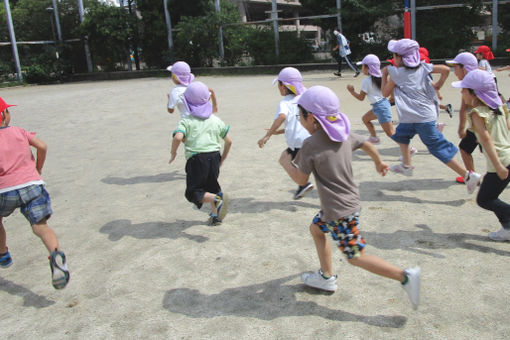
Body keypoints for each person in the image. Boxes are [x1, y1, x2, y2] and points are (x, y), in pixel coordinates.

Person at [280, 85, 420, 310]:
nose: (300, 120)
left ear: (312, 118)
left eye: (300, 116)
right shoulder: (342, 133)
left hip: (338, 212)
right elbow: (364, 143)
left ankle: (405, 276)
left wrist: (286, 162)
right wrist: (378, 161)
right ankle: (326, 277)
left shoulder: (310, 144)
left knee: (355, 256)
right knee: (316, 229)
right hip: (343, 205)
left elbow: (300, 180)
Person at [382, 39, 482, 194]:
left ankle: (468, 175)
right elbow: (445, 70)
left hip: (418, 117)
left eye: (394, 55)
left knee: (436, 148)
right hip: (418, 116)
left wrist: (384, 75)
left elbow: (384, 93)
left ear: (400, 58)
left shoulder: (397, 74)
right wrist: (438, 85)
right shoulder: (423, 67)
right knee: (401, 135)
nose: (393, 58)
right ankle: (406, 165)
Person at [0, 97, 69, 289]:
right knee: (40, 226)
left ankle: (3, 254)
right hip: (32, 184)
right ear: (4, 115)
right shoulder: (19, 131)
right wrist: (37, 168)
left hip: (3, 190)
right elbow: (42, 146)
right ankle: (56, 255)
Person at [452, 70, 510, 241]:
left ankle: (508, 223)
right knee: (489, 196)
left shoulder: (477, 113)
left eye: (464, 90)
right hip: (508, 156)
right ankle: (507, 226)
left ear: (475, 93)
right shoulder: (499, 105)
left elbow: (486, 140)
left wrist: (498, 166)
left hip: (500, 161)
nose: (462, 93)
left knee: (485, 199)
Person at [169, 82, 232, 226]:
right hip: (214, 156)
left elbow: (178, 137)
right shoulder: (216, 120)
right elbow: (229, 141)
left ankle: (217, 199)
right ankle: (215, 216)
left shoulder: (186, 121)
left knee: (193, 192)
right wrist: (222, 158)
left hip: (197, 159)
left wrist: (173, 153)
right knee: (212, 187)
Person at [257, 67, 313, 199]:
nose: (278, 87)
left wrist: (267, 135)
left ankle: (303, 185)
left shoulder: (285, 102)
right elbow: (297, 124)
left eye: (279, 84)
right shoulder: (304, 99)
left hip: (299, 144)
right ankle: (302, 185)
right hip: (311, 140)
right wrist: (278, 132)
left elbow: (282, 117)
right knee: (305, 166)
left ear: (283, 86)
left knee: (284, 160)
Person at [445, 52, 481, 184]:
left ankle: (473, 177)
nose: (455, 71)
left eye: (456, 67)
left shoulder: (470, 83)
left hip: (483, 123)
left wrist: (461, 129)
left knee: (495, 153)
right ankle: (472, 176)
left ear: (464, 68)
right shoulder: (480, 77)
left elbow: (463, 107)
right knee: (466, 148)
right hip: (481, 123)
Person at [346, 54, 395, 144]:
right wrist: (392, 96)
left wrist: (352, 91)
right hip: (380, 106)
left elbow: (361, 98)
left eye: (363, 66)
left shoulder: (366, 81)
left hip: (381, 108)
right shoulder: (382, 78)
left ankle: (409, 149)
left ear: (368, 68)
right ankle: (373, 137)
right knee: (365, 119)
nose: (362, 68)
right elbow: (391, 88)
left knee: (390, 133)